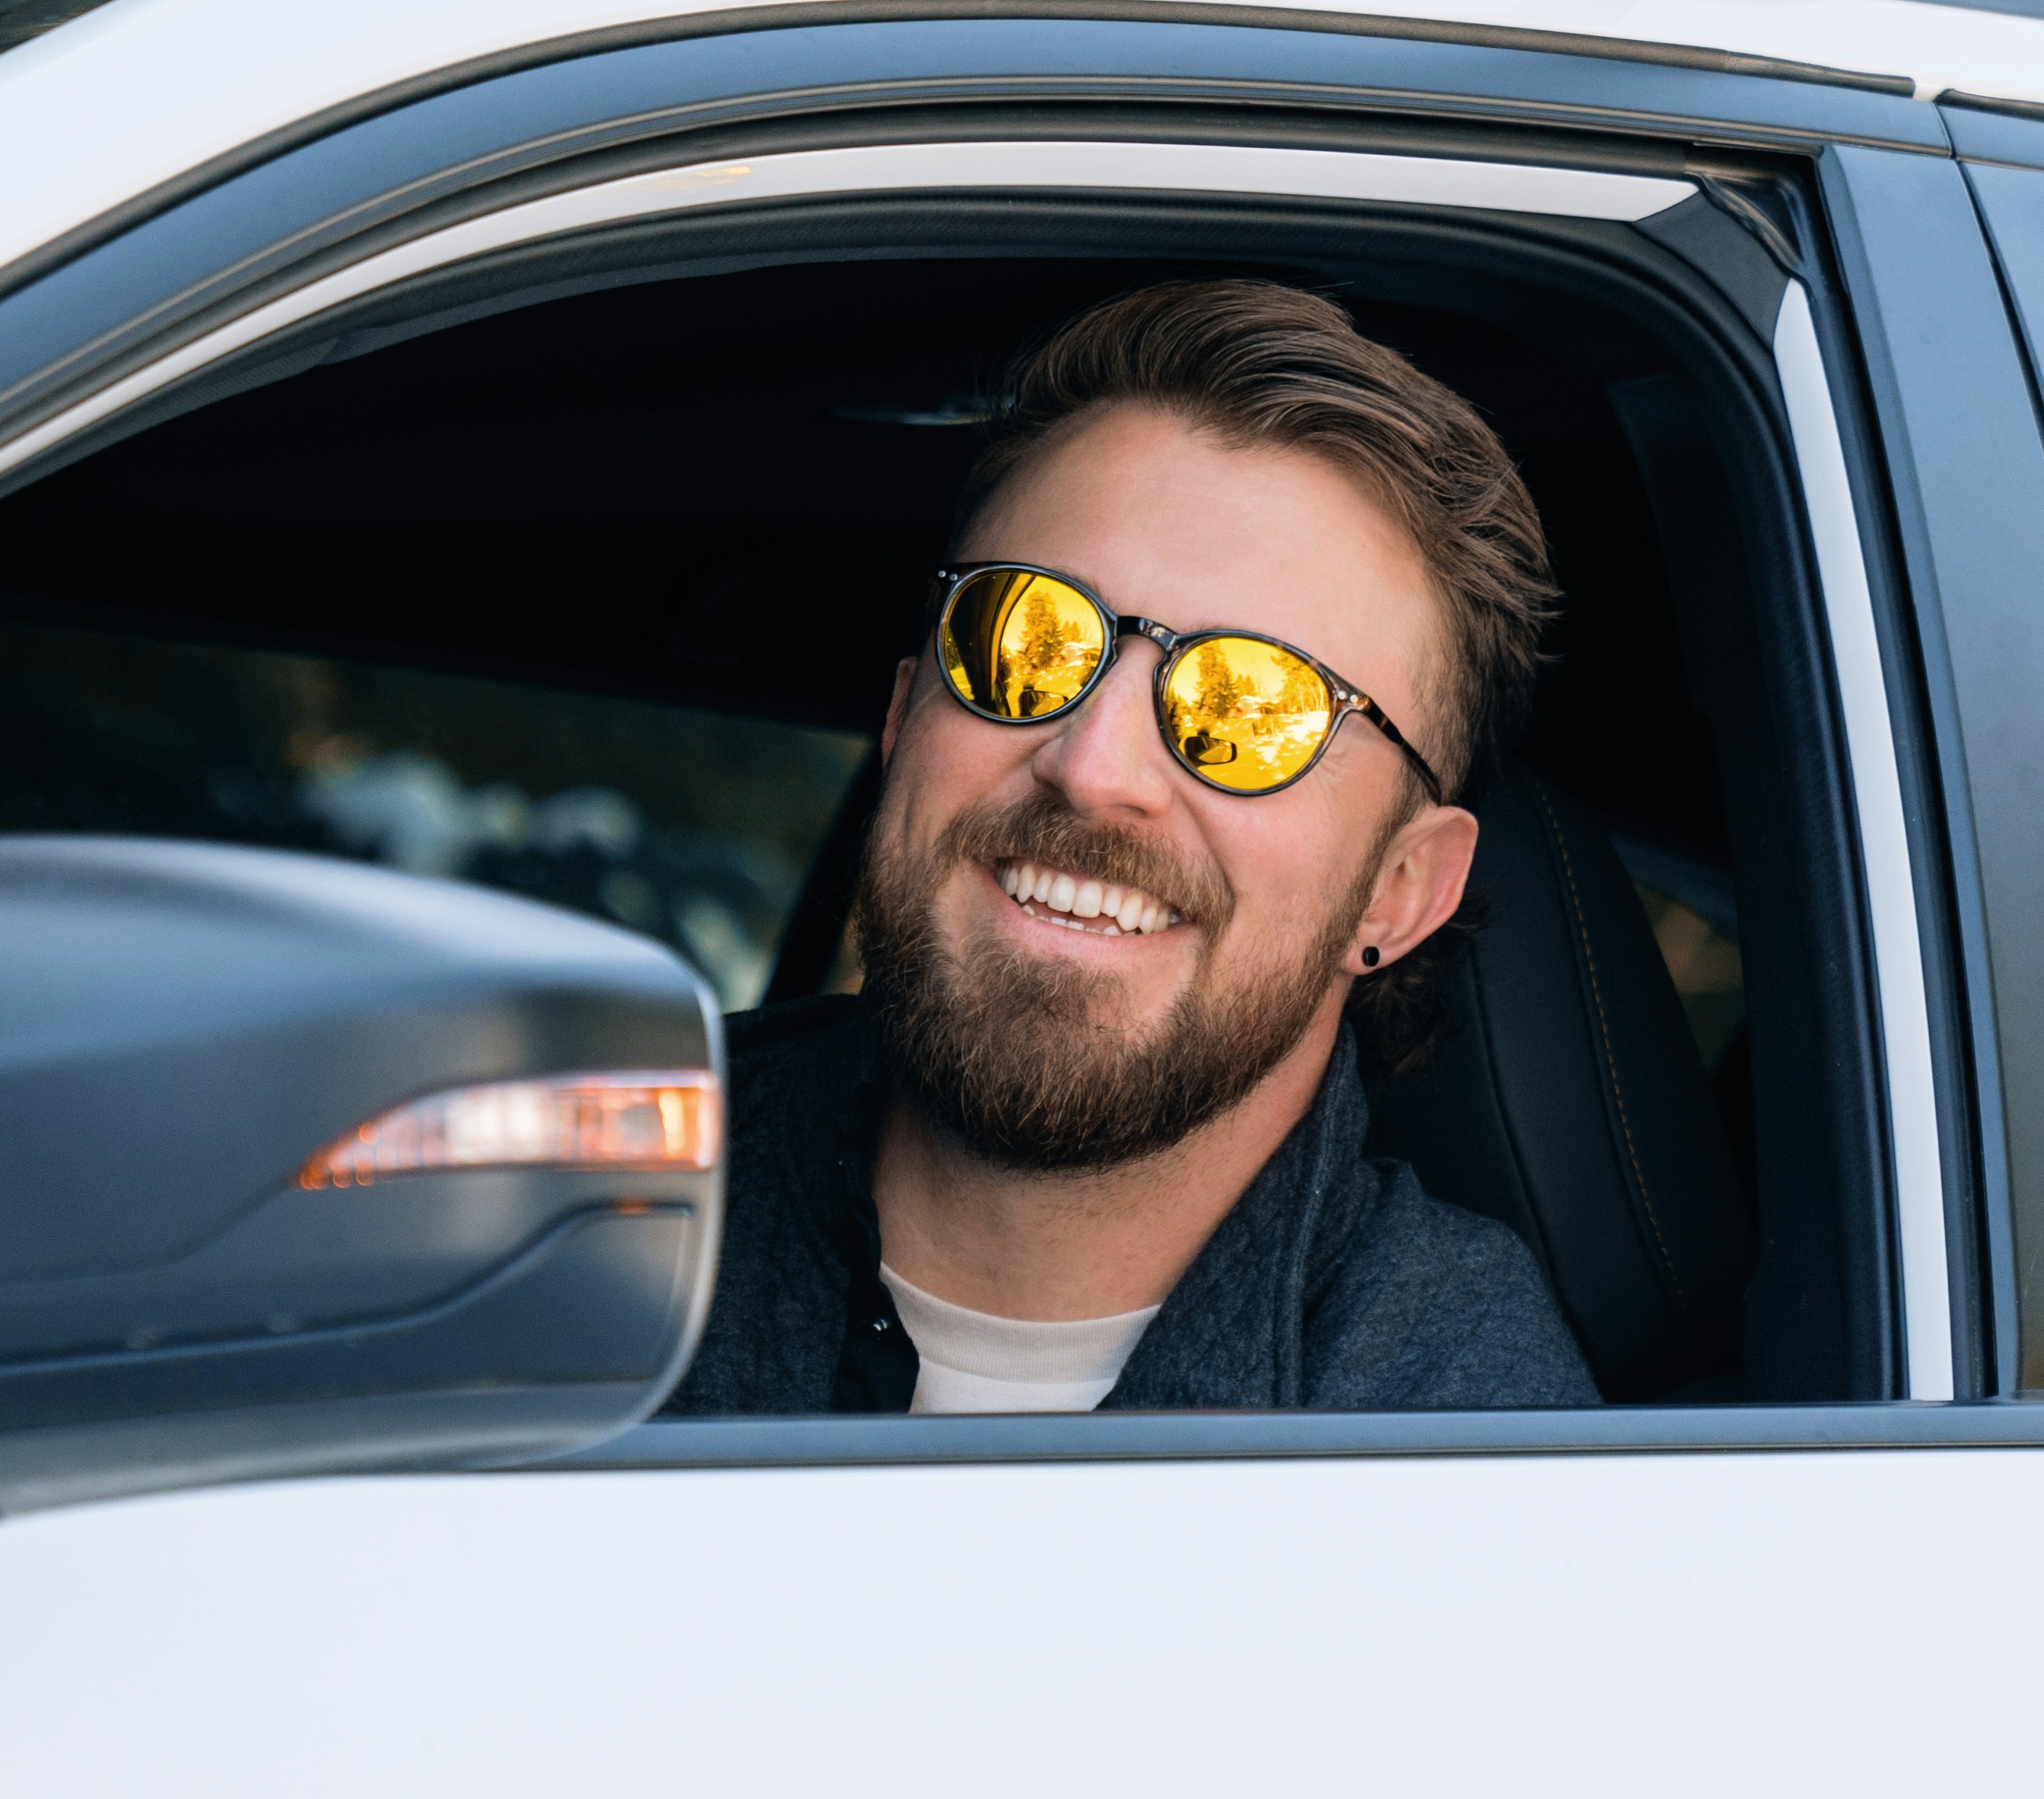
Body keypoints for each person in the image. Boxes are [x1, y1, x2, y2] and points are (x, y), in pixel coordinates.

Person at [671, 275, 1596, 1420]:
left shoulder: (1482, 1466)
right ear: (907, 715)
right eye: (1028, 638)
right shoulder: (529, 1202)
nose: (1094, 765)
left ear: (1399, 894)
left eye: (1254, 706)